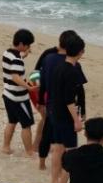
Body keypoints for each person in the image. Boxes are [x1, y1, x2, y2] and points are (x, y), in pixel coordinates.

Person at [36, 30, 87, 170]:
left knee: (49, 135)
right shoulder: (73, 67)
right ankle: (62, 173)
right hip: (64, 111)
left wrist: (40, 101)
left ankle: (42, 164)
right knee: (67, 145)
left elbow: (42, 82)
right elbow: (78, 91)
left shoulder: (48, 58)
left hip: (51, 104)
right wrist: (81, 113)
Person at [48, 34, 86, 183]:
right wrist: (77, 120)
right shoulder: (72, 71)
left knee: (58, 148)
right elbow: (69, 100)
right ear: (80, 52)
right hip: (65, 116)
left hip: (55, 113)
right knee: (71, 152)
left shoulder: (59, 67)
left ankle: (54, 181)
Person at [1, 29, 37, 156]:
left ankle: (5, 147)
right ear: (21, 44)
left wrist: (24, 55)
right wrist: (29, 87)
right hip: (19, 98)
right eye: (27, 45)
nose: (28, 47)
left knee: (12, 122)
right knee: (26, 125)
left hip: (7, 94)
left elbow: (15, 63)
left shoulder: (7, 53)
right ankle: (29, 151)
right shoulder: (17, 59)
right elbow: (15, 77)